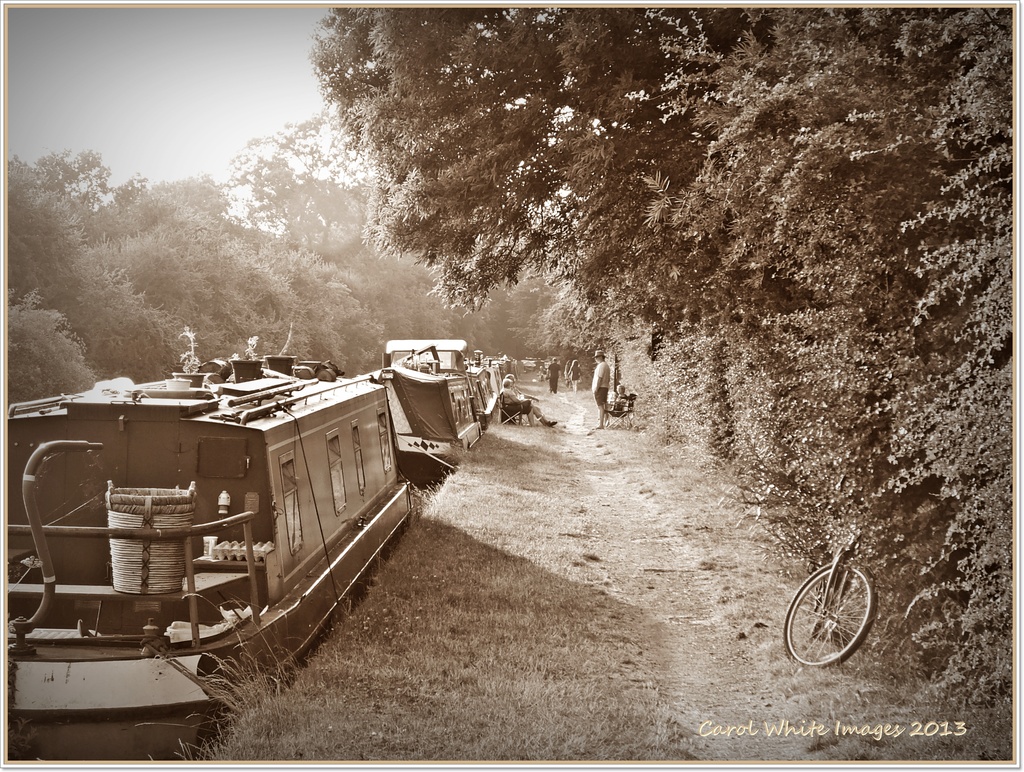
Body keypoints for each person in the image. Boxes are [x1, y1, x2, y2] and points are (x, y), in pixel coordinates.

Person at [591, 349, 611, 429]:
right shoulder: (606, 365)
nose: (595, 359)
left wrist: (596, 388)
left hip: (600, 387)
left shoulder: (601, 366)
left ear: (600, 357)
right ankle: (605, 422)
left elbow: (599, 378)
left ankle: (601, 424)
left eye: (596, 357)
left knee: (600, 406)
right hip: (605, 387)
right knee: (603, 405)